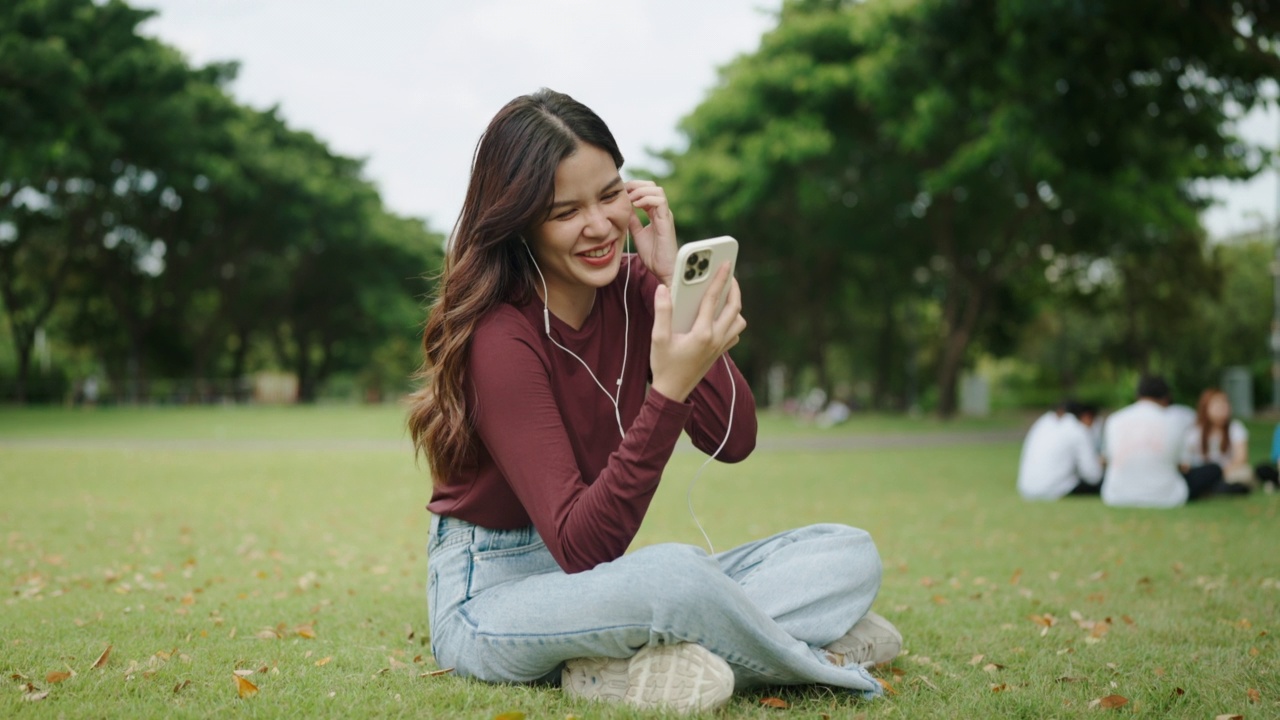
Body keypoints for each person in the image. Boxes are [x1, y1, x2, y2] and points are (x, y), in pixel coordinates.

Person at [406, 89, 898, 714]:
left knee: (846, 553)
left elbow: (733, 439)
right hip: (491, 598)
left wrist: (675, 286)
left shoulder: (639, 288)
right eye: (565, 211)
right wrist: (666, 393)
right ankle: (813, 657)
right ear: (520, 223)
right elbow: (581, 546)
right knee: (675, 577)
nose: (600, 225)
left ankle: (617, 668)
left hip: (597, 586)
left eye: (609, 194)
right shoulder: (500, 336)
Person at [1101, 375, 1221, 507]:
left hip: (1116, 495)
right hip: (1167, 496)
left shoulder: (1115, 420)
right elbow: (1183, 465)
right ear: (1167, 397)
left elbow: (1107, 459)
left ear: (1137, 395)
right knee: (1213, 469)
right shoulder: (1175, 421)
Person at [1016, 401, 1103, 500]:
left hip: (1027, 489)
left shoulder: (1043, 422)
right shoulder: (1078, 430)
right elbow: (1093, 476)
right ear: (1087, 416)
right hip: (1055, 489)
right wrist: (1101, 463)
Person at [1180, 388, 1251, 495]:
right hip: (1204, 471)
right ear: (1206, 408)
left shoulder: (1235, 428)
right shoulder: (1195, 432)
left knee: (1244, 473)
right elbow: (1186, 460)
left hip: (1228, 472)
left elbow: (1241, 458)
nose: (1223, 408)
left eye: (1225, 404)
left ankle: (1212, 488)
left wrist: (1222, 471)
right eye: (1218, 405)